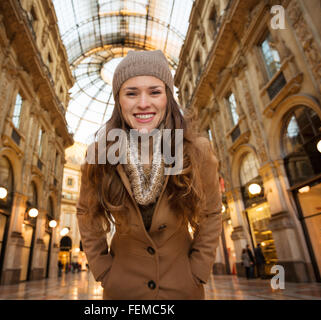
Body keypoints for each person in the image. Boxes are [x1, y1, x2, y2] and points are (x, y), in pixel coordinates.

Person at [76, 50, 223, 300]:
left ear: (168, 97)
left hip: (181, 287)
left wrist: (198, 270)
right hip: (122, 289)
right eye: (131, 93)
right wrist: (103, 270)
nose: (143, 103)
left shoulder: (197, 151)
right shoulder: (99, 154)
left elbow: (211, 213)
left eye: (154, 91)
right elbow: (86, 212)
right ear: (119, 101)